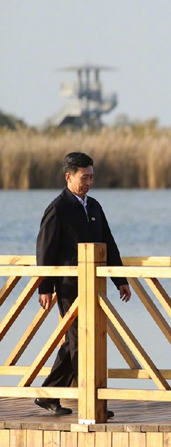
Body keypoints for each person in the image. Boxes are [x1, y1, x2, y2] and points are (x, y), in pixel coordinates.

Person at [35, 151, 132, 417]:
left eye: (91, 177)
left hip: (94, 287)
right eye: (84, 178)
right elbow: (45, 250)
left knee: (74, 341)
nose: (88, 182)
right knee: (80, 340)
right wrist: (44, 287)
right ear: (69, 177)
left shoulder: (94, 206)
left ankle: (49, 393)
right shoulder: (57, 209)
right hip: (69, 286)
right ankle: (91, 401)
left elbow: (108, 244)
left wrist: (120, 280)